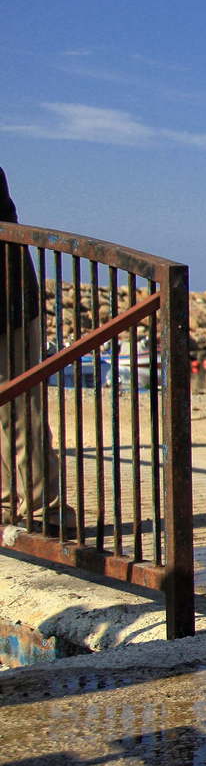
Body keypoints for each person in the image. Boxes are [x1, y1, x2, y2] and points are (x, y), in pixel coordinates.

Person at [0, 166, 62, 529]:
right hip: (11, 301)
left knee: (20, 409)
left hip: (9, 307)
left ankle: (45, 510)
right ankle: (10, 503)